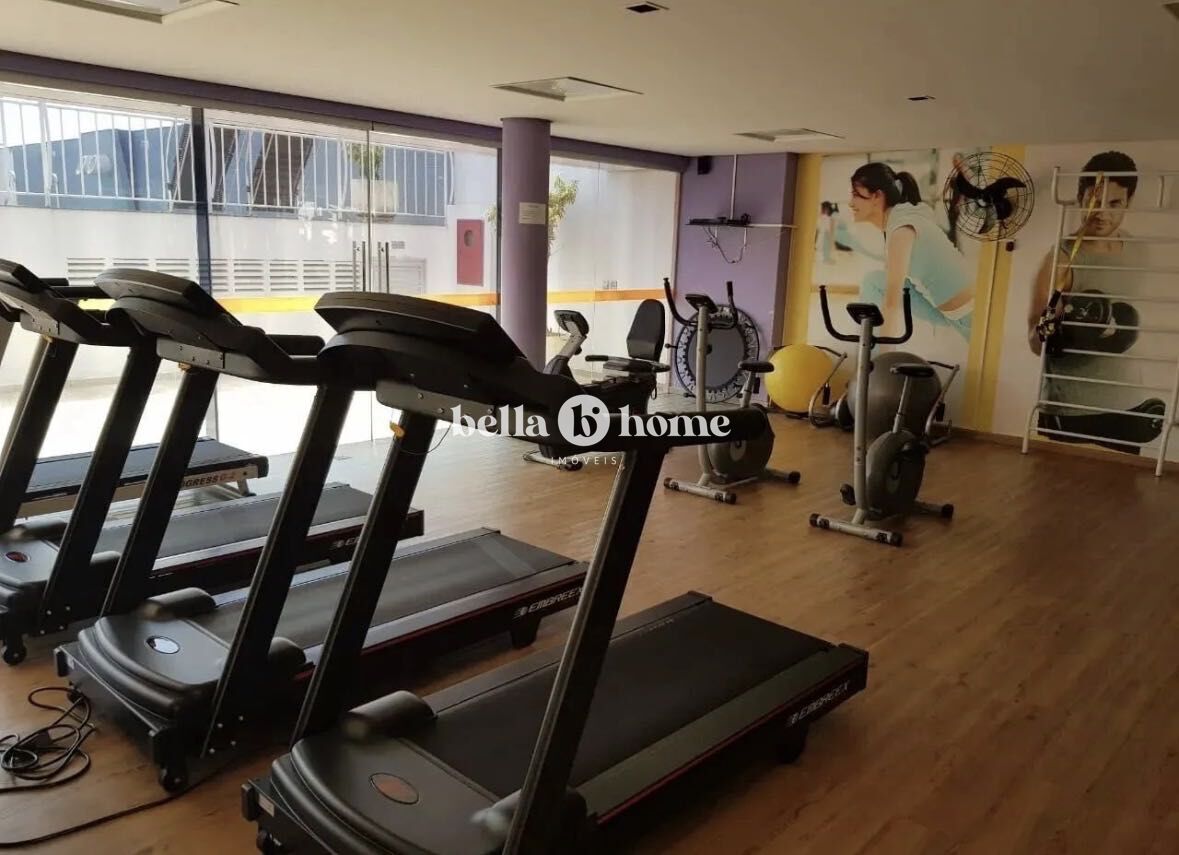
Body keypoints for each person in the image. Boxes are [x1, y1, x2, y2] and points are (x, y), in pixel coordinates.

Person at [1027, 150, 1164, 455]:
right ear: (1079, 197)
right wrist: (1053, 326)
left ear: (1128, 202)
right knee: (1058, 484)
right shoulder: (1061, 259)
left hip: (1127, 402)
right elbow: (1035, 342)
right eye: (1093, 200)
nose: (1101, 212)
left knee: (1123, 484)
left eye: (1114, 203)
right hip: (1072, 409)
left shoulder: (1139, 252)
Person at [847, 162, 974, 339]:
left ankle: (871, 347)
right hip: (952, 310)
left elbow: (891, 303)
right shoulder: (904, 216)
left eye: (856, 195)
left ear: (877, 196)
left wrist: (883, 349)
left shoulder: (902, 230)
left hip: (969, 316)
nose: (850, 203)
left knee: (876, 284)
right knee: (874, 281)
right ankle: (869, 341)